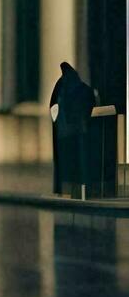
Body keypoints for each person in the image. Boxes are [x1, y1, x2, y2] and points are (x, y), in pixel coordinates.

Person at [49, 61, 97, 196]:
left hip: (65, 132)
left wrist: (58, 123)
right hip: (76, 131)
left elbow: (53, 106)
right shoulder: (79, 87)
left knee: (67, 163)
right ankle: (79, 190)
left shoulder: (62, 86)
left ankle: (66, 190)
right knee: (78, 162)